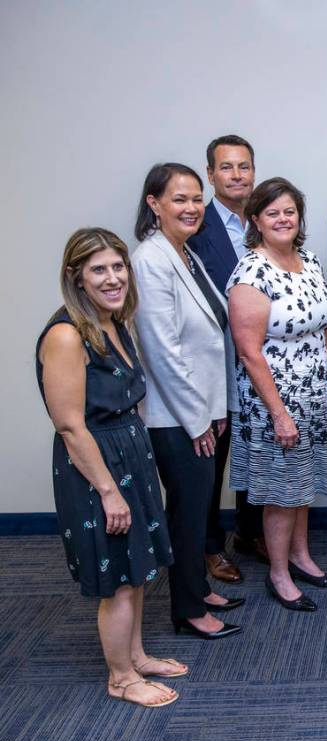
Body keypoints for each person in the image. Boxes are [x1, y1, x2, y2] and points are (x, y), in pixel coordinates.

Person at [37, 228, 183, 707]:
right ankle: (121, 678)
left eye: (118, 266)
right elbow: (71, 426)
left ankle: (136, 656)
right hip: (95, 467)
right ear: (75, 276)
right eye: (99, 269)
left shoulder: (113, 323)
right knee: (117, 575)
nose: (113, 277)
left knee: (136, 567)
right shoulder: (66, 335)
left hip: (128, 456)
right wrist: (108, 490)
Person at [132, 163, 242, 640]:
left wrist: (214, 413)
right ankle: (189, 611)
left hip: (202, 411)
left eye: (196, 198)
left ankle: (197, 588)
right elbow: (161, 351)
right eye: (179, 199)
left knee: (199, 510)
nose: (192, 207)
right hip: (177, 418)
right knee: (186, 512)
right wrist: (199, 421)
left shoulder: (185, 254)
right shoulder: (150, 260)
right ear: (154, 204)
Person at [228, 177, 327, 611]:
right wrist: (279, 413)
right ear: (255, 219)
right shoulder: (251, 272)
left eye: (289, 211)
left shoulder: (309, 260)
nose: (282, 219)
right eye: (272, 212)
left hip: (313, 392)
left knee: (304, 482)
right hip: (274, 400)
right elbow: (249, 351)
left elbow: (322, 326)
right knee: (281, 491)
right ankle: (279, 574)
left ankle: (300, 555)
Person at [187, 134, 265, 583]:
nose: (237, 175)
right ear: (211, 174)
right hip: (214, 365)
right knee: (212, 462)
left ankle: (250, 532)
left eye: (244, 167)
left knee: (256, 451)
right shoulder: (195, 227)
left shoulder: (263, 220)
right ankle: (209, 547)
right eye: (227, 168)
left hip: (259, 363)